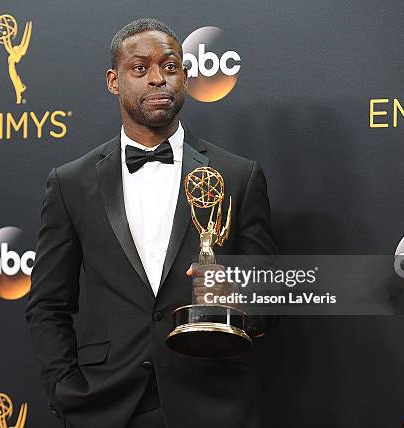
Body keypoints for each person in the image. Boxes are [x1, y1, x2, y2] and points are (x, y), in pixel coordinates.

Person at [25, 18, 277, 428]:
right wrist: (65, 390)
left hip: (213, 402)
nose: (158, 78)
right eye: (140, 68)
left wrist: (242, 296)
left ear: (185, 76)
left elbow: (271, 301)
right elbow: (48, 305)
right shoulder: (71, 182)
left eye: (170, 66)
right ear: (114, 80)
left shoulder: (238, 175)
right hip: (106, 406)